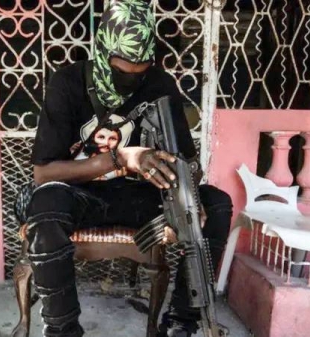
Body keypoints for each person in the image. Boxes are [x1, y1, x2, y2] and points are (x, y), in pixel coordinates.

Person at [24, 1, 233, 336]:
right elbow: (43, 174)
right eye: (122, 73)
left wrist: (183, 201)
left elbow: (187, 164)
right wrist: (121, 159)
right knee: (45, 206)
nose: (132, 82)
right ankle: (62, 331)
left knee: (217, 203)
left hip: (140, 198)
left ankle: (181, 324)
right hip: (82, 195)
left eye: (142, 71)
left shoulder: (160, 85)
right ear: (103, 53)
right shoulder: (67, 84)